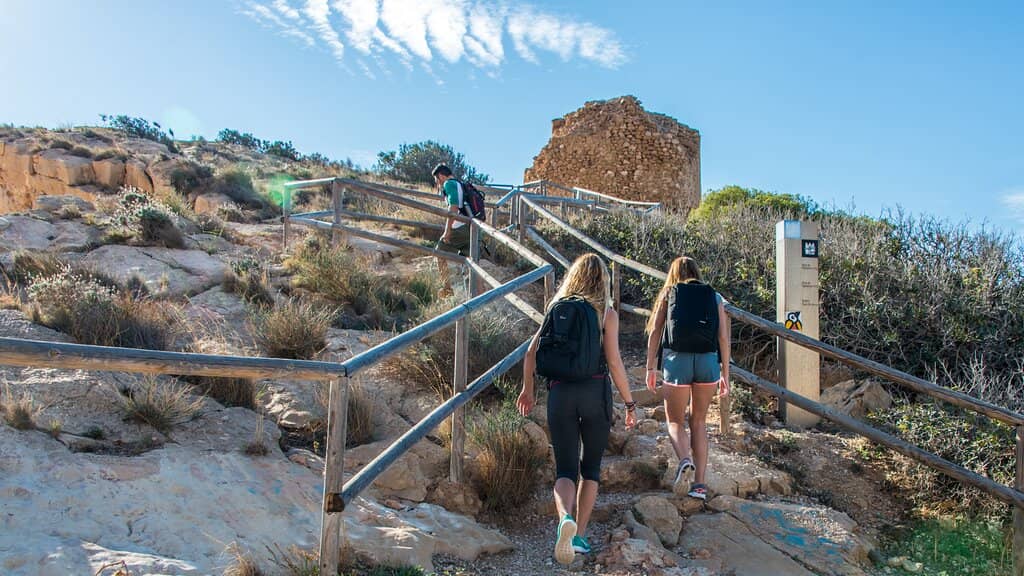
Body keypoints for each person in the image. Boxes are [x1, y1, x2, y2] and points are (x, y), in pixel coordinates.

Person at [517, 253, 637, 565]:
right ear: (603, 281)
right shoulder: (606, 314)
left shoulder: (556, 307)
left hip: (560, 394)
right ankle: (579, 536)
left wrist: (527, 390)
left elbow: (530, 354)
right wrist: (629, 402)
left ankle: (564, 521)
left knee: (565, 470)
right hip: (594, 393)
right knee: (591, 468)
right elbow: (614, 362)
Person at [644, 256, 731, 501]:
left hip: (677, 361)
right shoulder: (714, 297)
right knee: (699, 421)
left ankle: (684, 461)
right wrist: (725, 374)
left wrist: (650, 367)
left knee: (674, 420)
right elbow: (723, 338)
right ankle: (700, 485)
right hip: (708, 361)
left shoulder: (669, 293)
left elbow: (655, 331)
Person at [431, 163, 470, 297]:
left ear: (441, 176)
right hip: (469, 229)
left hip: (458, 228)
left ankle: (447, 289)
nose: (437, 183)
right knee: (472, 265)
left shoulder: (449, 184)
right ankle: (479, 298)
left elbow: (453, 208)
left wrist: (447, 231)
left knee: (439, 253)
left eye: (436, 180)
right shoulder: (460, 184)